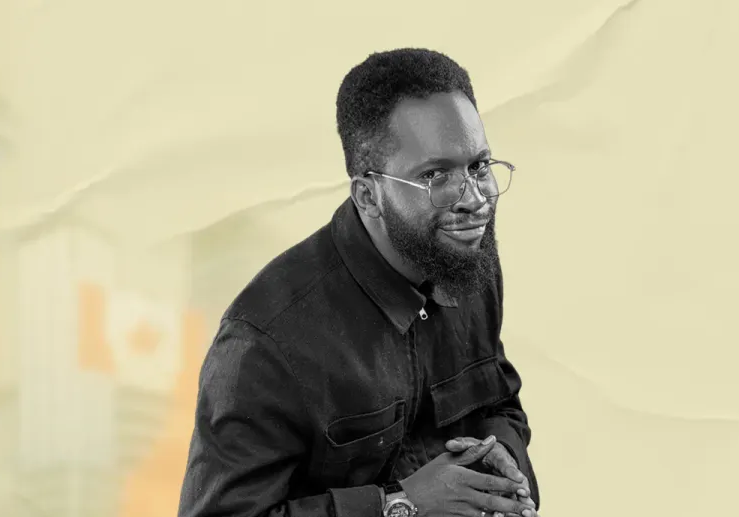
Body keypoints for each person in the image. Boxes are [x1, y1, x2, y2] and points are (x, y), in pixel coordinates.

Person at [178, 48, 540, 517]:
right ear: (369, 196)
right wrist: (401, 505)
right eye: (435, 175)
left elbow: (498, 399)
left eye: (479, 166)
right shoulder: (266, 342)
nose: (474, 199)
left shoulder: (463, 259)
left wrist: (502, 459)